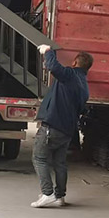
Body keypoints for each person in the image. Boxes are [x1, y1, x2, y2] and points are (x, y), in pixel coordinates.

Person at [30, 46, 93, 208]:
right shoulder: (84, 85)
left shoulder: (70, 75)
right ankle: (60, 196)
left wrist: (48, 51)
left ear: (75, 63)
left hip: (53, 125)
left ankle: (47, 193)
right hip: (67, 130)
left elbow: (53, 66)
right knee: (59, 163)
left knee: (39, 158)